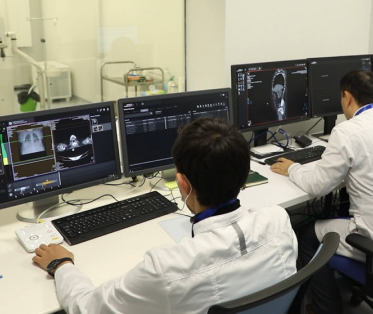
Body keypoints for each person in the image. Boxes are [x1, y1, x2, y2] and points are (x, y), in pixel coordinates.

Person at [33, 117, 298, 314]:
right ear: (244, 176)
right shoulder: (279, 221)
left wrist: (62, 266)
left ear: (182, 183)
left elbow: (89, 308)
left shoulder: (167, 268)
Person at [270, 70, 373, 314]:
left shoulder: (347, 132)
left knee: (306, 235)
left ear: (347, 97)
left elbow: (318, 185)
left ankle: (327, 309)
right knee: (342, 211)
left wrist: (292, 168)